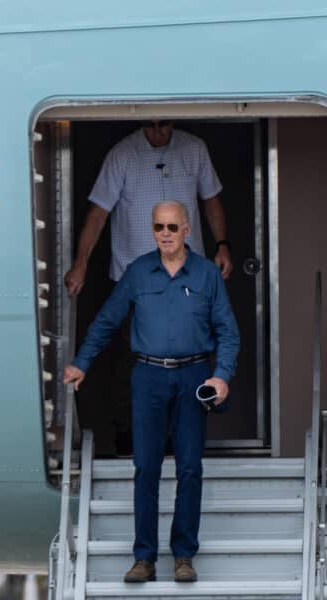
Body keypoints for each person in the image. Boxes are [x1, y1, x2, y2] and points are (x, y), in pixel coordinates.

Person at [63, 201, 239, 583]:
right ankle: (144, 557)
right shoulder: (139, 272)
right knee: (146, 468)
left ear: (187, 230)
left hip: (194, 376)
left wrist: (221, 376)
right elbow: (107, 320)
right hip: (148, 377)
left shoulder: (207, 275)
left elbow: (228, 331)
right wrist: (82, 363)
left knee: (190, 468)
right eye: (159, 226)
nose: (165, 233)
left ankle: (183, 556)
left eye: (173, 227)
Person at [65, 120, 233, 454]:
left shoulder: (194, 148)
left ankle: (181, 439)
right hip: (135, 275)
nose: (158, 132)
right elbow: (98, 213)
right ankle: (130, 440)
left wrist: (223, 245)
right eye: (152, 126)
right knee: (135, 359)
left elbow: (212, 200)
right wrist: (81, 262)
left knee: (190, 356)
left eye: (164, 125)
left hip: (188, 274)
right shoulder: (122, 154)